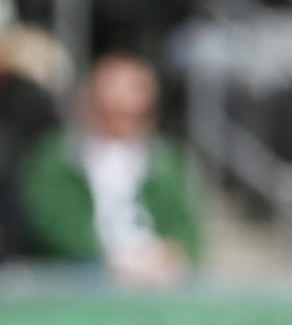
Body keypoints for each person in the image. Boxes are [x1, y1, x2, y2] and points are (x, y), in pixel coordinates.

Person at [20, 53, 201, 283]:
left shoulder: (166, 162)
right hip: (79, 279)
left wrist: (167, 253)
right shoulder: (56, 159)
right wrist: (111, 259)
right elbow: (49, 222)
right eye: (111, 109)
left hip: (155, 281)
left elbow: (187, 229)